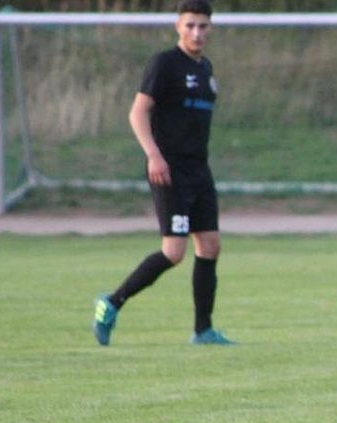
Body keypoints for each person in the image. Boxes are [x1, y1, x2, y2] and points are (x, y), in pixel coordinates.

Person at [93, 0, 233, 346]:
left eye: (202, 26)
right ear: (178, 26)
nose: (197, 32)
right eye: (190, 25)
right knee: (173, 251)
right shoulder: (165, 64)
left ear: (210, 28)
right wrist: (154, 156)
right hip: (169, 170)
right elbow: (138, 112)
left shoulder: (205, 68)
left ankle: (203, 331)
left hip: (198, 169)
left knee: (210, 245)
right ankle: (111, 303)